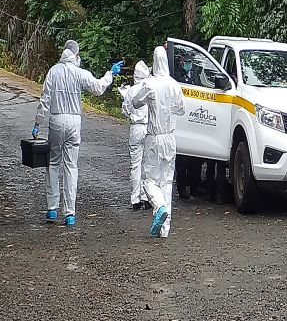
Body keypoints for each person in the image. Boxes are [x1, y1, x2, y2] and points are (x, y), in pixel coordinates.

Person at [32, 40, 123, 227]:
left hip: (56, 120)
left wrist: (37, 123)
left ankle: (51, 208)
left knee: (53, 164)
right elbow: (98, 88)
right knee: (71, 166)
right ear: (76, 55)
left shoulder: (53, 72)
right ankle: (70, 213)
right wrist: (109, 74)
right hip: (74, 121)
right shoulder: (79, 73)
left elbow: (45, 100)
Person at [132, 46, 185, 238]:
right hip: (171, 138)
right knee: (167, 181)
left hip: (155, 137)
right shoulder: (174, 85)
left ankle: (159, 206)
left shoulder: (150, 84)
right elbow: (181, 109)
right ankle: (164, 229)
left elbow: (136, 103)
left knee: (149, 180)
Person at [121, 61, 152, 211]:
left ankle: (135, 199)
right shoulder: (149, 89)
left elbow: (125, 111)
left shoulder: (131, 91)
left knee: (135, 164)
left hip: (135, 128)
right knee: (147, 164)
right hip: (148, 127)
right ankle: (147, 197)